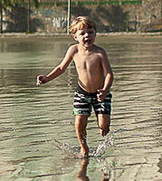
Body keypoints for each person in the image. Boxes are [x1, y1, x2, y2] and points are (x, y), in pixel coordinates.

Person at [36, 15, 113, 158]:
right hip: (82, 93)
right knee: (79, 122)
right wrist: (46, 78)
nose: (87, 36)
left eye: (90, 32)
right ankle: (84, 148)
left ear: (95, 34)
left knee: (103, 125)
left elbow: (109, 74)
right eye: (82, 33)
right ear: (75, 37)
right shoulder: (73, 51)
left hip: (100, 94)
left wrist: (105, 90)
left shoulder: (100, 53)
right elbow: (61, 68)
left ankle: (104, 127)